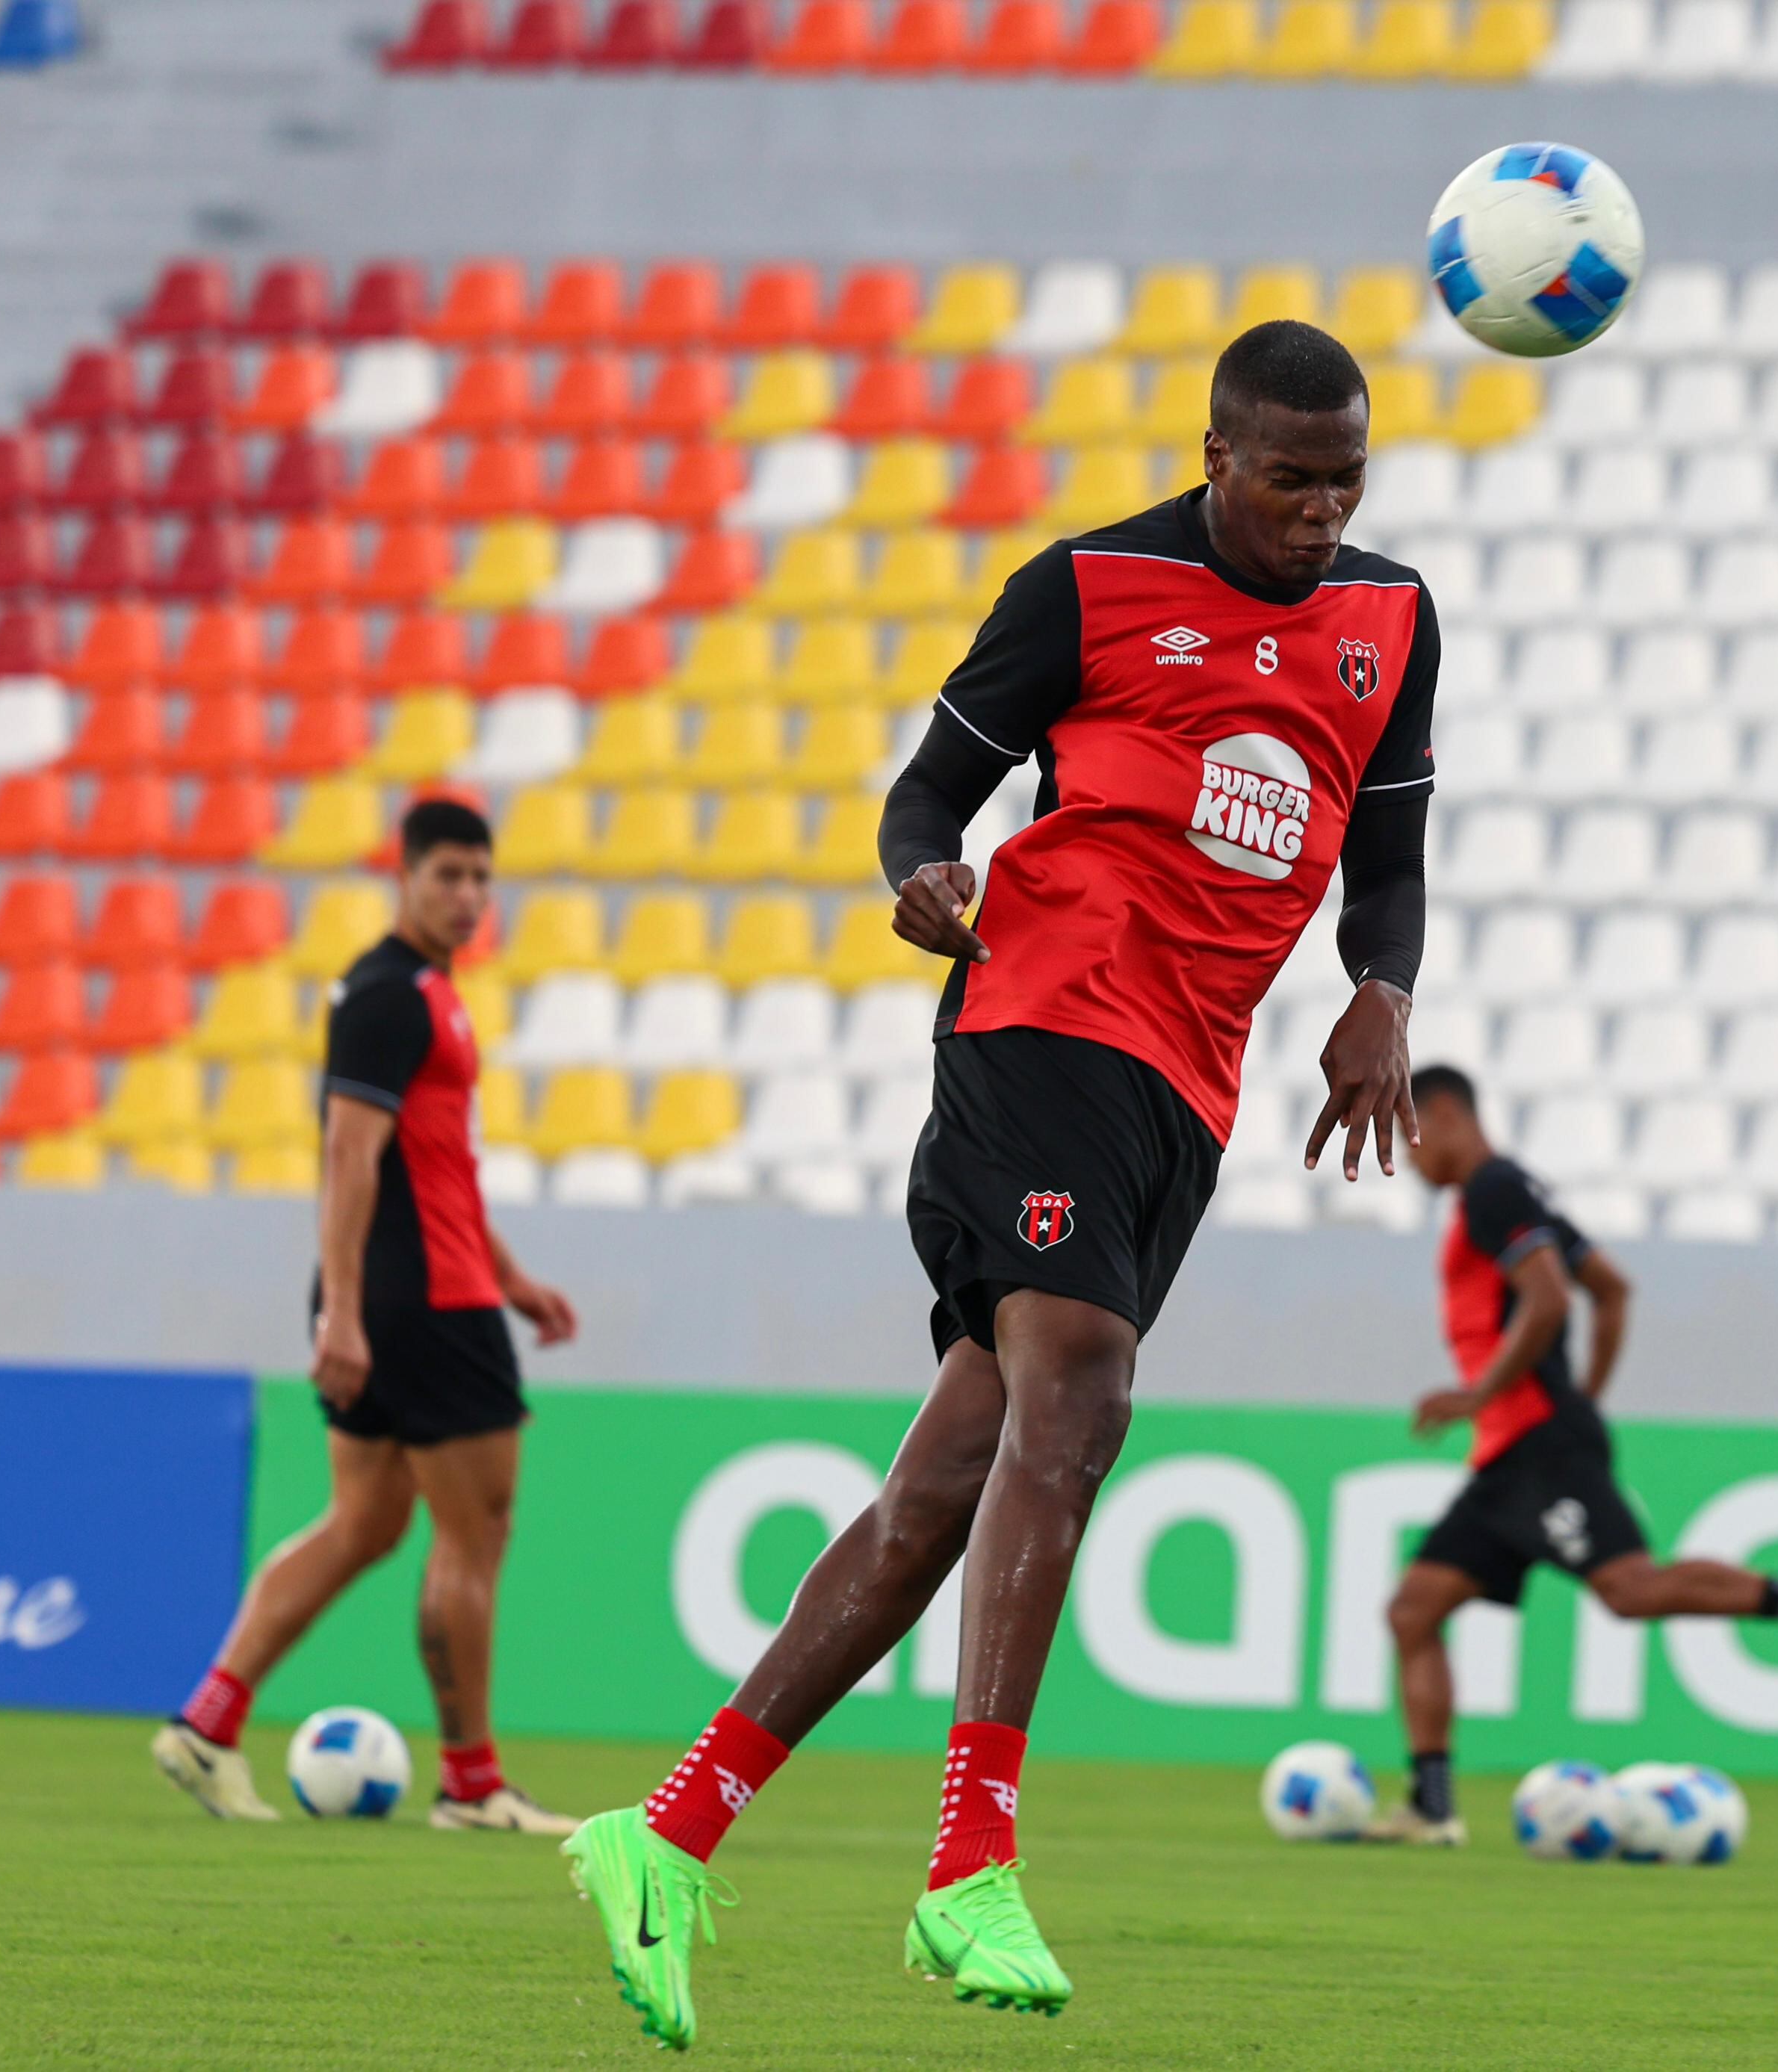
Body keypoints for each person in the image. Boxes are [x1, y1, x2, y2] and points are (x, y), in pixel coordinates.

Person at [566, 320, 1439, 2044]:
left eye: (1347, 482)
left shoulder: (1393, 624)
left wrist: (1380, 997)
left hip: (1187, 1090)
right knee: (1081, 1399)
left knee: (939, 1494)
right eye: (1288, 479)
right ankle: (970, 1859)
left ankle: (664, 1830)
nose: (1321, 514)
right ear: (1216, 457)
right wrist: (920, 876)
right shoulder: (1090, 587)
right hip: (1041, 1018)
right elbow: (927, 793)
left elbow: (1388, 854)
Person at [152, 798, 580, 1834]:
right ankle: (473, 1783)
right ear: (406, 878)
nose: (468, 896)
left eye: (481, 878)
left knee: (367, 1523)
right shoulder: (392, 996)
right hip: (423, 1303)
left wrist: (513, 1274)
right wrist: (341, 1313)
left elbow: (442, 1166)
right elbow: (351, 1156)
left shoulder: (423, 992)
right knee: (472, 1534)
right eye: (449, 876)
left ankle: (207, 1726)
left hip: (420, 1289)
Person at [1369, 1066, 1778, 1844]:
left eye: (1410, 1132)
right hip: (1517, 1450)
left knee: (1630, 1589)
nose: (1409, 1155)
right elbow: (1610, 1286)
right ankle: (1432, 1807)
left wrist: (1487, 1396)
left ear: (1443, 1111)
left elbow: (1551, 1298)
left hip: (1534, 1443)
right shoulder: (1517, 1188)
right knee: (1413, 1609)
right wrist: (1583, 1397)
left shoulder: (1490, 1190)